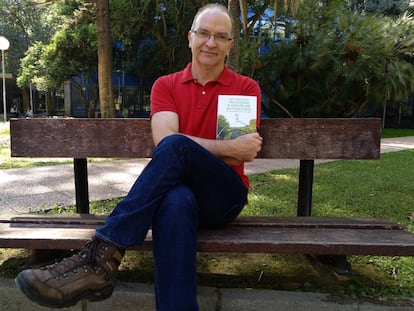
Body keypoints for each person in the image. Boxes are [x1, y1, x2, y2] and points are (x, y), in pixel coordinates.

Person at [15, 4, 262, 311]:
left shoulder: (244, 88)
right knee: (175, 201)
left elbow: (232, 156)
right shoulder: (166, 85)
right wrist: (226, 147)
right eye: (204, 33)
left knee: (176, 148)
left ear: (229, 45)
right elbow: (169, 141)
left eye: (220, 37)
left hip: (222, 196)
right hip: (177, 194)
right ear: (190, 38)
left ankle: (103, 255)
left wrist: (198, 148)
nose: (210, 43)